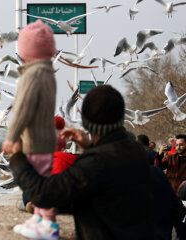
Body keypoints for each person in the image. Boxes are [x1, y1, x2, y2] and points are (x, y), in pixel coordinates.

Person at [9, 85, 153, 239]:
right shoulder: (137, 151)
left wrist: (17, 157)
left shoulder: (97, 162)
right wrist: (91, 147)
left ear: (86, 123)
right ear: (121, 118)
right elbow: (108, 178)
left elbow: (44, 195)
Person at [2, 19, 59, 239]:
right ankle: (39, 218)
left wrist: (12, 136)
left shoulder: (32, 75)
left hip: (34, 140)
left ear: (26, 51)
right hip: (45, 138)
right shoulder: (48, 73)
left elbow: (23, 108)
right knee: (40, 181)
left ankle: (48, 225)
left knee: (40, 185)